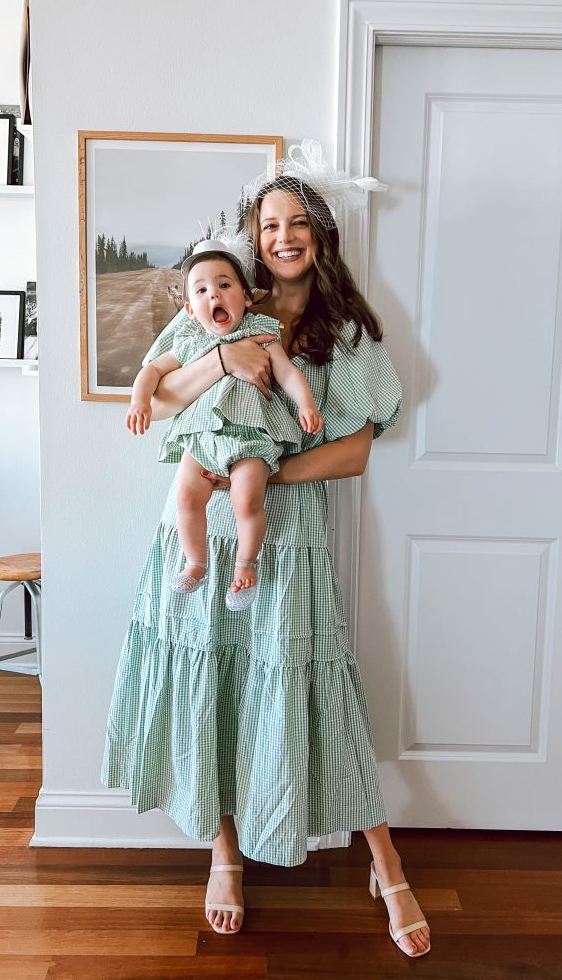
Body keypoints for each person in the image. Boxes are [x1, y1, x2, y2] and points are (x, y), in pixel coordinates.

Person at [101, 150, 431, 958]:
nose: (282, 237)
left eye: (296, 225)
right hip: (198, 536)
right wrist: (221, 357)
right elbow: (163, 398)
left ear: (319, 236)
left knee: (312, 687)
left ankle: (385, 863)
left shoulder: (341, 333)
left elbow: (352, 452)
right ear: (253, 237)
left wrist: (264, 470)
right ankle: (223, 854)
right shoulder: (216, 307)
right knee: (209, 683)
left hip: (287, 535)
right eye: (268, 225)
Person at [125, 237, 324, 608]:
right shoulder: (189, 341)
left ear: (246, 298)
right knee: (187, 495)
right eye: (201, 290)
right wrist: (139, 402)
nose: (213, 294)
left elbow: (289, 374)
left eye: (224, 285)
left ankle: (246, 564)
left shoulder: (261, 333)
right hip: (202, 438)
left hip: (250, 437)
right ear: (189, 308)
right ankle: (195, 562)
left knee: (247, 499)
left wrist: (306, 405)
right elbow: (151, 371)